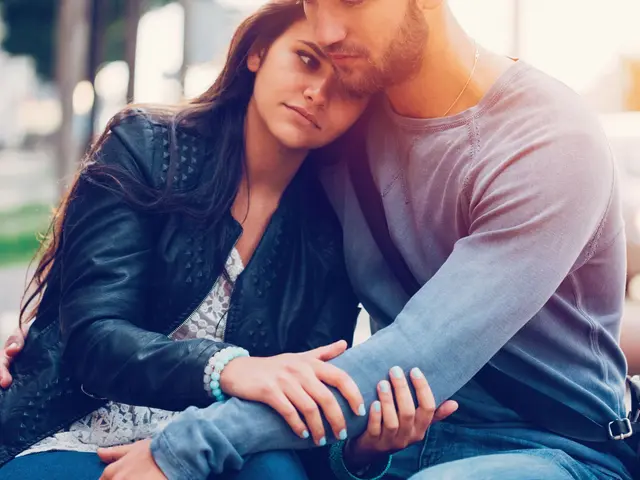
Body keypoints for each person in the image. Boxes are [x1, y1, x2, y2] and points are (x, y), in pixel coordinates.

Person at [64, 0, 637, 479]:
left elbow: (419, 349)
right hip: (394, 442)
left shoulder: (547, 138)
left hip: (552, 448)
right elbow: (185, 220)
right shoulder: (344, 123)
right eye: (316, 0)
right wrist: (48, 330)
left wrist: (186, 448)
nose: (329, 29)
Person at [0, 3, 457, 479]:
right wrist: (231, 368)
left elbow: (308, 412)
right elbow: (93, 340)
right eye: (306, 59)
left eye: (347, 85)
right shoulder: (148, 146)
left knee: (278, 471)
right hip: (76, 429)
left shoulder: (335, 226)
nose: (318, 92)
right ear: (258, 53)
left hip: (225, 444)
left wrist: (365, 450)